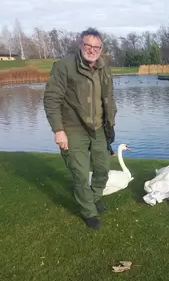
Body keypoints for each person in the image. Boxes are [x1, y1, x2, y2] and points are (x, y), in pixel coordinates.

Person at [43, 27, 117, 229]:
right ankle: (88, 212)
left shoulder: (104, 67)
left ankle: (91, 198)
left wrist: (111, 123)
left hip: (99, 128)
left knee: (103, 169)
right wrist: (58, 130)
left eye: (96, 47)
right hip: (73, 129)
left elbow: (109, 98)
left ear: (101, 48)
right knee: (81, 173)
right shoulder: (64, 66)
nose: (92, 50)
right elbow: (51, 99)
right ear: (80, 45)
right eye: (88, 45)